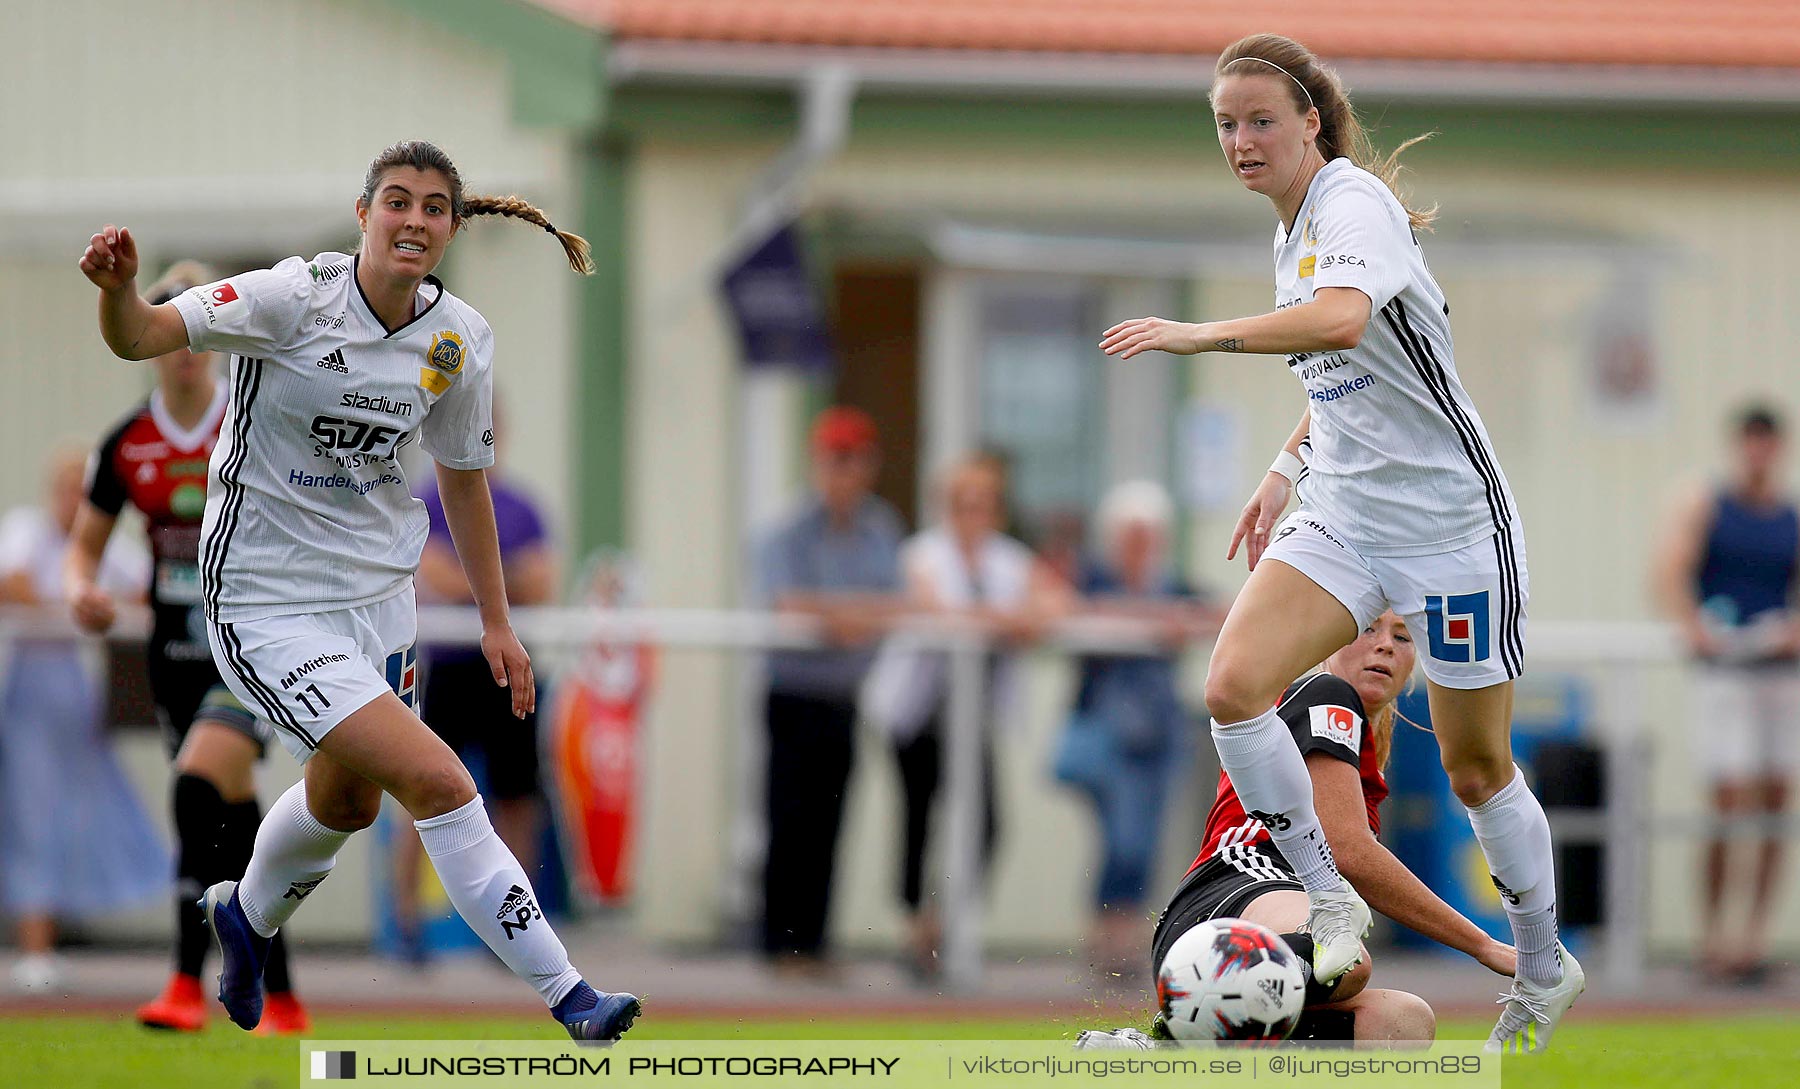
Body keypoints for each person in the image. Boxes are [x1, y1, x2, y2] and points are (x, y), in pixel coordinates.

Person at [78, 140, 639, 1041]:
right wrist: (118, 290)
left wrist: (498, 621)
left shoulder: (459, 337)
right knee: (440, 780)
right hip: (263, 597)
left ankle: (245, 918)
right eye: (397, 201)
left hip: (378, 598)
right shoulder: (289, 297)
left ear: (453, 228)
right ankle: (571, 993)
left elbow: (464, 479)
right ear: (364, 213)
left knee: (348, 802)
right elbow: (140, 335)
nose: (413, 219)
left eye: (432, 207)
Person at [1098, 33, 1581, 1052]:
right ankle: (1328, 897)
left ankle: (1542, 962)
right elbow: (1346, 391)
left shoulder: (1351, 204)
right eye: (1226, 124)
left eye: (1260, 120)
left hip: (1450, 528)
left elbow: (1344, 322)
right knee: (1231, 687)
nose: (1241, 140)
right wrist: (1281, 473)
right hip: (1348, 517)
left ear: (1311, 122)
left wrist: (1195, 334)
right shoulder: (1293, 230)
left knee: (1476, 768)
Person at [1077, 613, 1517, 1048]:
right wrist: (1482, 945)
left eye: (1402, 637)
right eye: (1367, 628)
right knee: (1339, 955)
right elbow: (1349, 852)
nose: (1384, 645)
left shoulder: (1362, 743)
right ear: (1329, 639)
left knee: (1402, 1024)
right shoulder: (1325, 693)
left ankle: (1182, 1059)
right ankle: (1162, 1040)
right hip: (1229, 894)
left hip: (1265, 918)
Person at [64, 261, 310, 1032]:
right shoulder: (128, 443)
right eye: (169, 326)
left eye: (198, 328)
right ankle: (286, 995)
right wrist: (83, 591)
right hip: (172, 656)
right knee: (232, 825)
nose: (186, 347)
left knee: (194, 786)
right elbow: (85, 548)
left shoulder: (251, 421)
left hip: (252, 647)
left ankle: (180, 984)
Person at [865, 454, 1069, 978]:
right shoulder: (922, 554)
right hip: (919, 714)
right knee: (917, 820)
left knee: (988, 823)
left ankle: (947, 922)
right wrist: (1008, 620)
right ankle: (917, 931)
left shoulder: (1008, 559)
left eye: (983, 503)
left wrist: (1018, 618)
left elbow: (1057, 603)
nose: (973, 513)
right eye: (963, 503)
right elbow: (940, 611)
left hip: (971, 718)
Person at [393, 410, 558, 965]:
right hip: (452, 666)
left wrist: (480, 582)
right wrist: (498, 582)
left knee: (517, 797)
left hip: (508, 668)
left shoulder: (521, 507)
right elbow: (431, 575)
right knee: (424, 793)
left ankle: (517, 928)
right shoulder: (426, 500)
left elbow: (541, 583)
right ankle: (407, 923)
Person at [0, 447, 159, 993]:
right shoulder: (25, 531)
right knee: (31, 819)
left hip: (77, 705)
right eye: (67, 487)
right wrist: (80, 607)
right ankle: (35, 948)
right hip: (26, 704)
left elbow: (144, 589)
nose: (74, 500)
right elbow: (13, 585)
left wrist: (100, 606)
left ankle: (58, 933)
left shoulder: (103, 548)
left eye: (82, 489)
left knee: (86, 816)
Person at [754, 406, 904, 974]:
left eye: (854, 459)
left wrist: (838, 616)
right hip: (791, 695)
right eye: (834, 459)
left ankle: (812, 945)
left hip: (843, 697)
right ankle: (779, 947)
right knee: (787, 819)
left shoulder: (880, 527)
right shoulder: (786, 528)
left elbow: (891, 608)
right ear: (818, 463)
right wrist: (850, 616)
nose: (844, 472)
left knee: (831, 823)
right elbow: (787, 606)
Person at [1654, 403, 1799, 983]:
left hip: (1779, 672)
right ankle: (1713, 935)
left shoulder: (1788, 515)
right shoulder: (1705, 503)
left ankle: (1751, 939)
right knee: (1728, 799)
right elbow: (1670, 572)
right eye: (1751, 442)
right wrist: (1694, 628)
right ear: (1740, 445)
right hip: (1726, 669)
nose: (1758, 453)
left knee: (1774, 801)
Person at [1053, 480, 1220, 979]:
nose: (1140, 546)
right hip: (1107, 736)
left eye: (1147, 536)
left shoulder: (1172, 583)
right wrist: (1153, 619)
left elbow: (1222, 611)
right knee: (1123, 838)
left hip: (1158, 735)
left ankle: (1120, 938)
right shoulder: (1093, 579)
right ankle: (1109, 935)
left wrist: (1173, 618)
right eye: (1131, 536)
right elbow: (1064, 614)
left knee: (1141, 839)